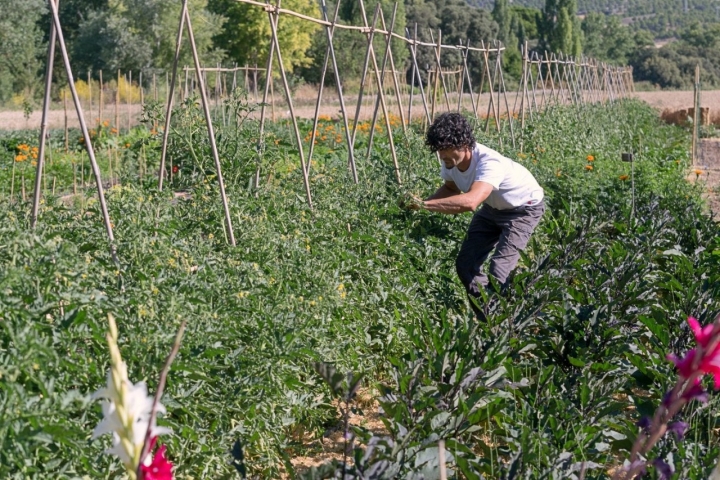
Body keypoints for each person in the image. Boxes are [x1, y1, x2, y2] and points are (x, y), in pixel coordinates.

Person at [406, 112, 545, 319]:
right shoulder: (450, 162)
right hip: (492, 209)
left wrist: (425, 205)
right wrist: (418, 204)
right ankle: (489, 318)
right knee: (466, 264)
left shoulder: (489, 162)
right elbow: (451, 189)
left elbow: (471, 202)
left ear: (464, 144)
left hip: (523, 210)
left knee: (499, 271)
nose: (442, 155)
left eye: (447, 148)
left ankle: (512, 319)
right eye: (439, 149)